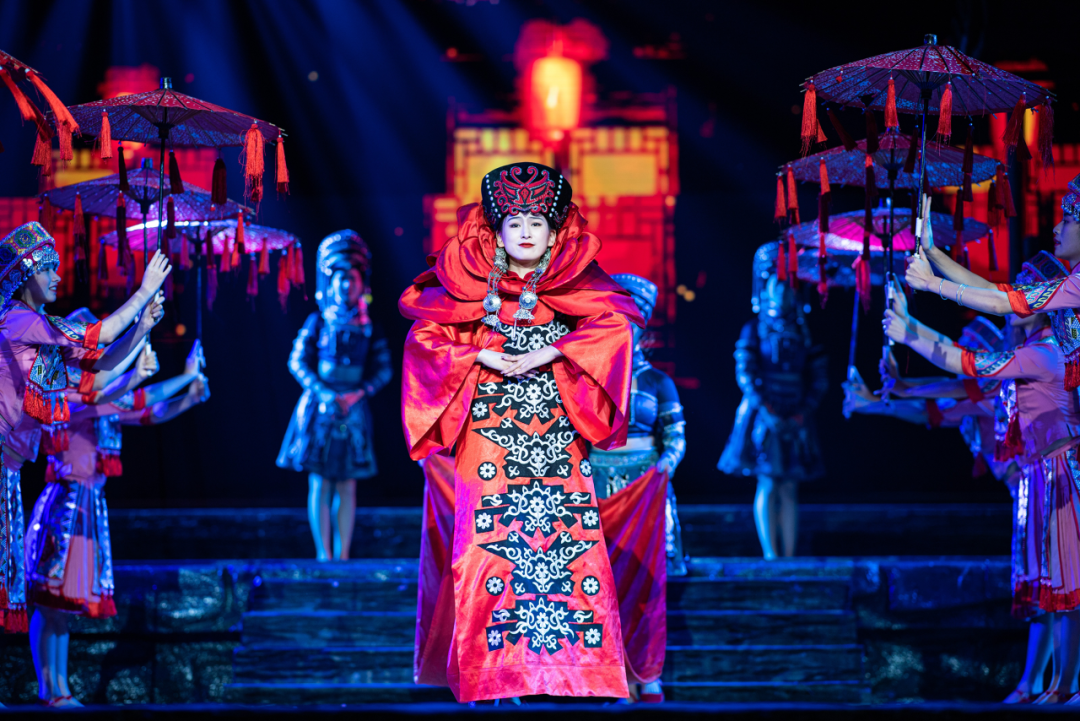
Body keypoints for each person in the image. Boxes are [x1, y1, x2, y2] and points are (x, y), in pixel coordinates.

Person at [399, 162, 642, 703]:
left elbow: (615, 329)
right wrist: (479, 354)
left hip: (556, 440)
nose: (526, 231)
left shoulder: (577, 283)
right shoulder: (466, 283)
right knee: (488, 552)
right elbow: (424, 342)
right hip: (489, 438)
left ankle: (568, 677)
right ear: (497, 232)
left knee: (569, 552)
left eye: (537, 222)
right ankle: (494, 678)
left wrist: (551, 350)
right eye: (515, 222)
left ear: (555, 234)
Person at [886, 254, 1080, 705]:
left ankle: (1064, 687)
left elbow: (969, 365)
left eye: (1024, 293)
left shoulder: (1044, 353)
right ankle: (1052, 685)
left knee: (1069, 588)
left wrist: (910, 332)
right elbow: (964, 371)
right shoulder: (1035, 350)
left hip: (1061, 473)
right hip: (1042, 475)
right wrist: (909, 324)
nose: (1012, 303)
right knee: (1054, 588)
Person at [0, 221, 169, 635]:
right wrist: (143, 291)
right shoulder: (17, 320)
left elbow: (100, 368)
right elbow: (103, 333)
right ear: (27, 274)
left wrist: (142, 327)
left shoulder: (40, 334)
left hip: (9, 470)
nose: (57, 276)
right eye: (48, 268)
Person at [25, 340, 208, 707]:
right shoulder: (72, 396)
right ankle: (49, 689)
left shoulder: (100, 402)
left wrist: (189, 398)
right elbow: (138, 398)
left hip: (87, 507)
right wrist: (185, 377)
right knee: (49, 601)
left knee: (63, 606)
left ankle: (60, 689)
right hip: (66, 505)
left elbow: (149, 413)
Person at [277, 232, 392, 561]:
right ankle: (323, 554)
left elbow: (384, 369)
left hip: (352, 410)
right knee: (320, 481)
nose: (345, 286)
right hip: (320, 409)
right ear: (330, 283)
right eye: (340, 279)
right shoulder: (318, 322)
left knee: (347, 483)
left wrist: (358, 394)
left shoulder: (369, 327)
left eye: (351, 279)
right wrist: (323, 392)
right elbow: (297, 361)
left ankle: (342, 557)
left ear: (361, 284)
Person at [904, 176, 1080, 387]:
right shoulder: (1071, 286)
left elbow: (999, 303)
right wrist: (932, 251)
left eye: (1067, 221)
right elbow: (991, 290)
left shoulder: (1043, 353)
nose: (1056, 228)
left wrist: (929, 283)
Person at [719, 273, 828, 559]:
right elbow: (745, 372)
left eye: (788, 285)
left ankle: (788, 556)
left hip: (797, 413)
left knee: (790, 485)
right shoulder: (755, 328)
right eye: (776, 284)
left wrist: (803, 410)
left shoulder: (805, 330)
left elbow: (819, 376)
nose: (782, 290)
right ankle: (770, 555)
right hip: (763, 416)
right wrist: (766, 409)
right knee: (768, 480)